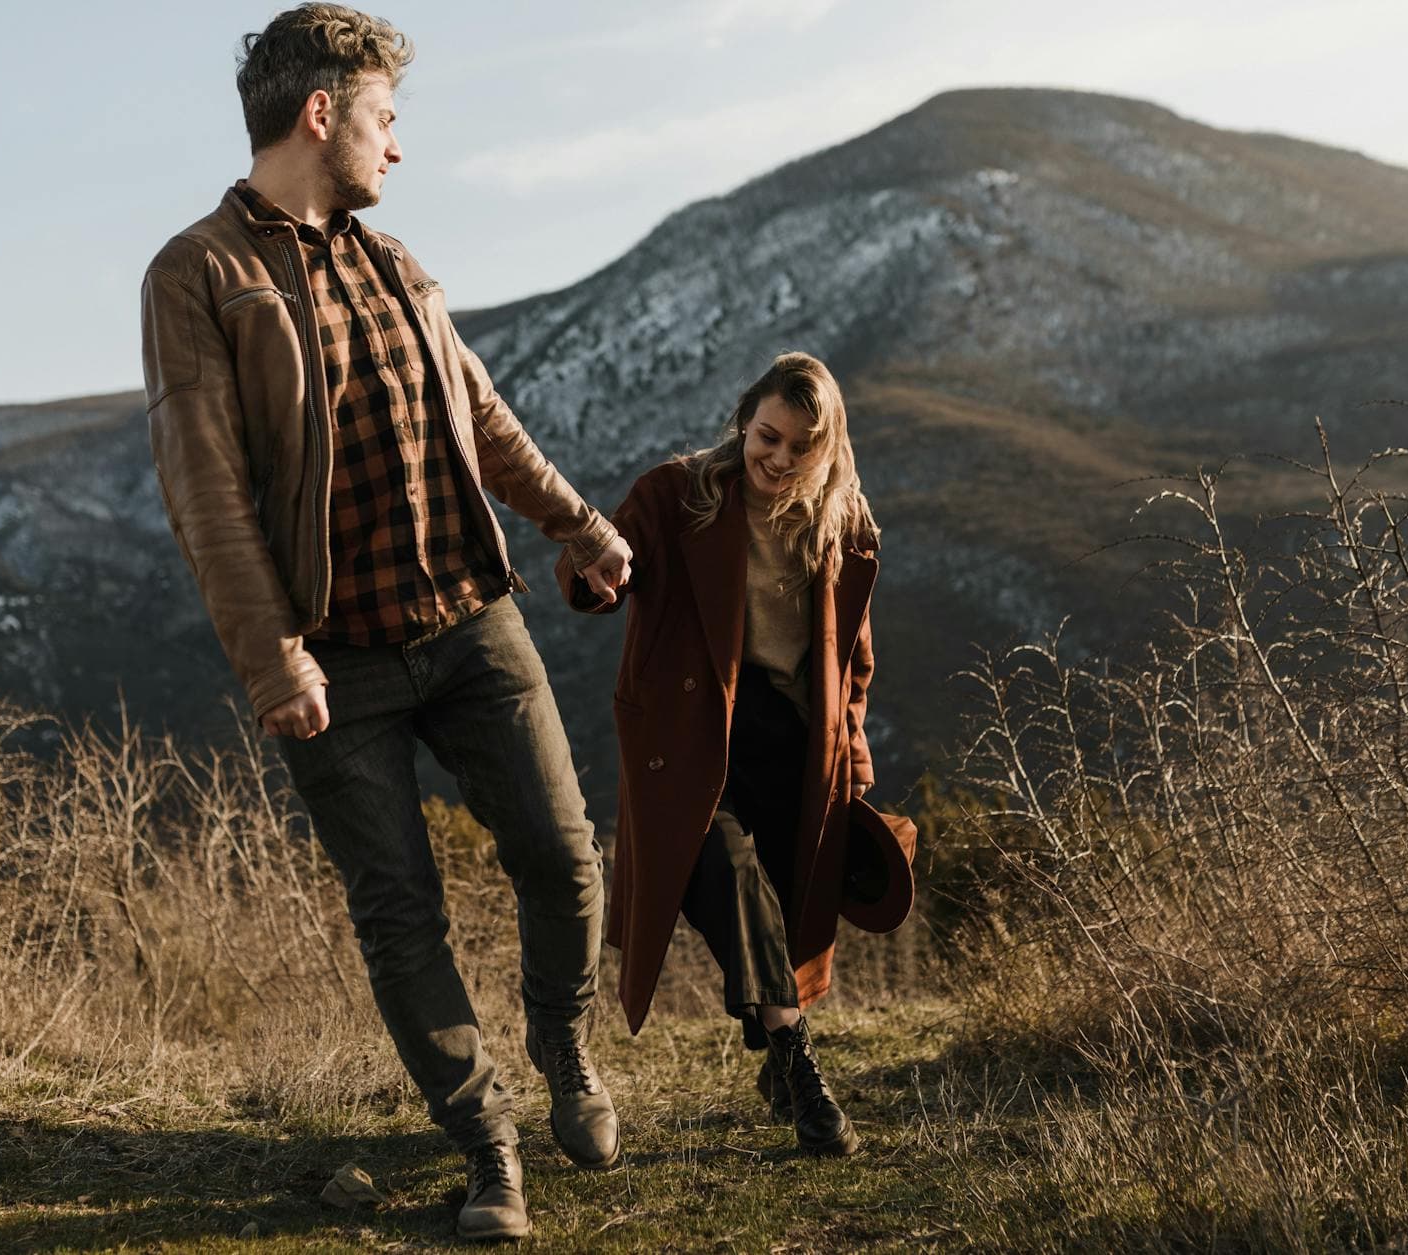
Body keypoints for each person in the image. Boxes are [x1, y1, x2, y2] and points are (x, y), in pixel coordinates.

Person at [140, 5, 633, 1240]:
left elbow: (482, 415)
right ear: (322, 115)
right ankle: (486, 1146)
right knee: (400, 914)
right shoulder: (197, 275)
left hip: (470, 622)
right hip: (334, 660)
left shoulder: (396, 260)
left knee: (566, 860)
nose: (396, 146)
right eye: (384, 118)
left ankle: (563, 1047)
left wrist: (577, 524)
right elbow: (204, 488)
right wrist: (273, 658)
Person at [555, 351, 917, 1156]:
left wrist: (853, 752)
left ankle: (779, 1061)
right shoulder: (675, 494)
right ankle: (803, 1068)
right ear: (743, 421)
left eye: (801, 448)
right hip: (693, 736)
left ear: (827, 451)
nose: (779, 459)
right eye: (768, 436)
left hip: (795, 744)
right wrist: (593, 568)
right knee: (728, 871)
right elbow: (597, 564)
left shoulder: (845, 525)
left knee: (781, 912)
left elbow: (854, 658)